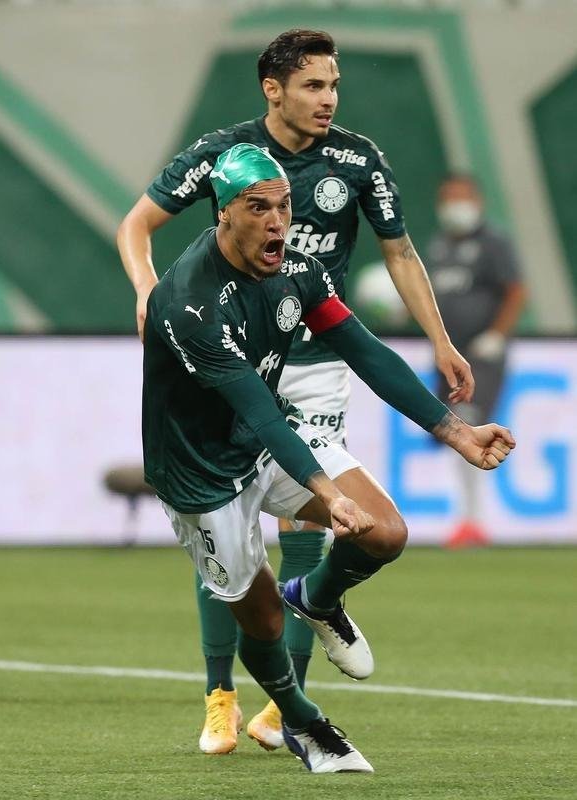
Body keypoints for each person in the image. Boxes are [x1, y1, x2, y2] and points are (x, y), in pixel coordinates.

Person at [118, 29, 475, 754]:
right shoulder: (222, 161)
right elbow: (137, 225)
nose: (328, 98)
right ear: (273, 89)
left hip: (308, 357)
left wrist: (442, 354)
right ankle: (224, 693)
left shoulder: (356, 161)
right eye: (313, 84)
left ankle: (290, 690)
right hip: (226, 366)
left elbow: (398, 256)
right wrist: (148, 294)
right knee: (234, 543)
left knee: (320, 528)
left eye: (334, 85)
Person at [425, 173, 527, 545]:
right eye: (448, 197)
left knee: (466, 425)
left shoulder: (493, 243)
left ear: (478, 201)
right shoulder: (438, 246)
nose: (455, 205)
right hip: (447, 355)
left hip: (481, 355)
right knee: (445, 433)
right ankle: (466, 517)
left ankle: (473, 521)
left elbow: (516, 290)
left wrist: (497, 335)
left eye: (461, 197)